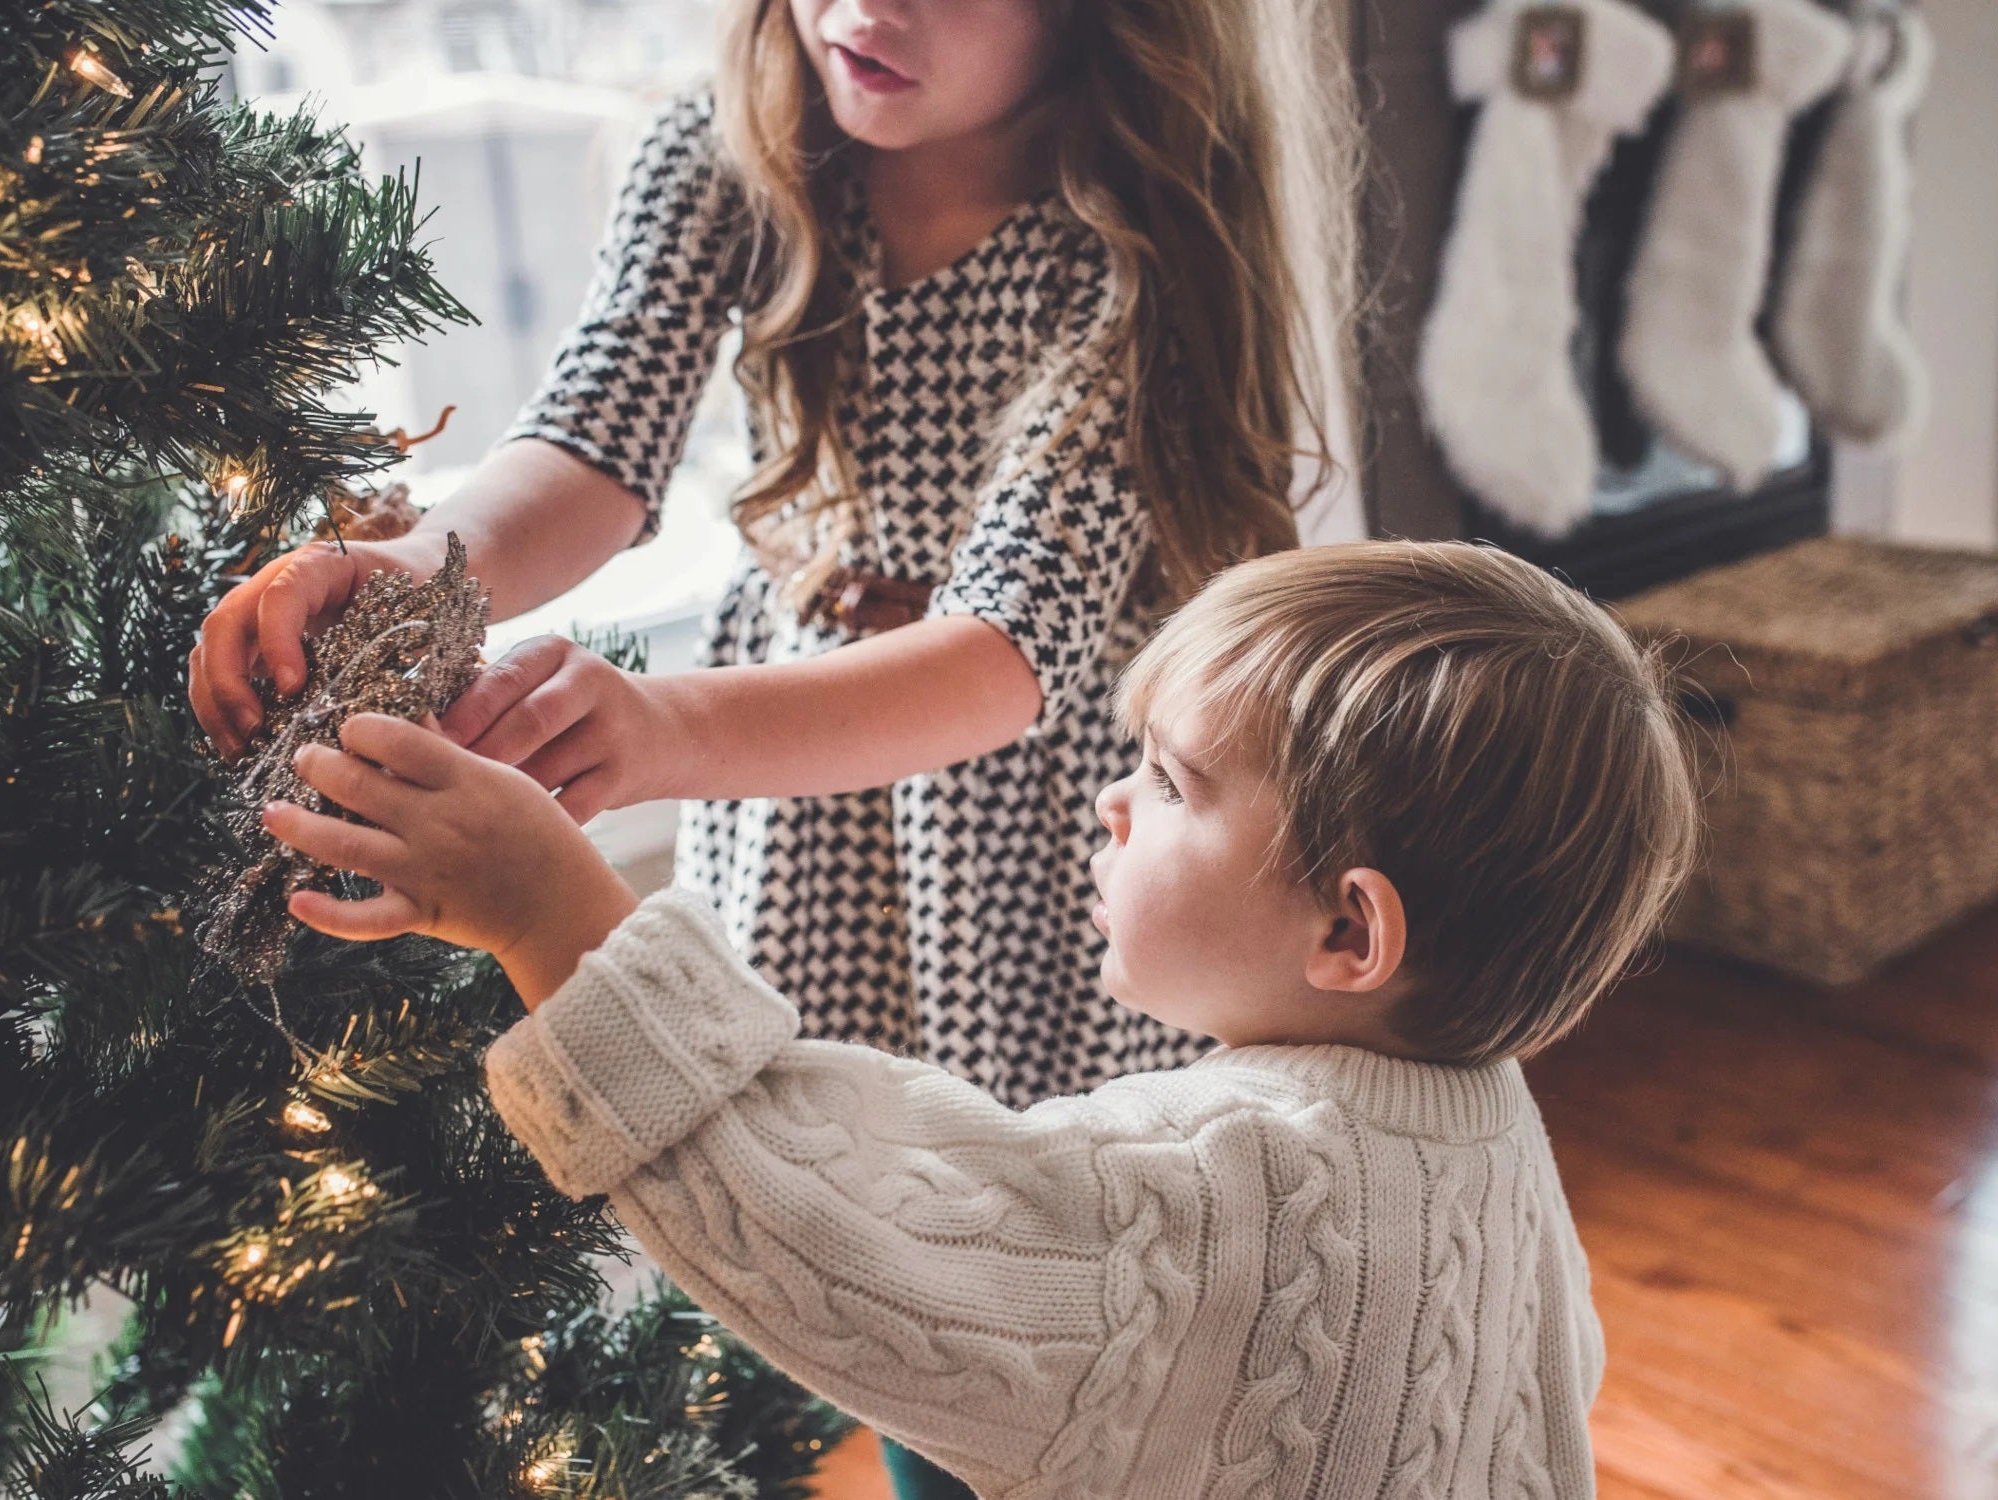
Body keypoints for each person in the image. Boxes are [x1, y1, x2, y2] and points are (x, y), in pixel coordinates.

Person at [264, 540, 1702, 1499]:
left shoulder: (1217, 1190)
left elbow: (837, 1226)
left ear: (1349, 930)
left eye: (1175, 782)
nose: (1111, 799)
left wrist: (549, 916)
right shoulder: (1490, 1125)